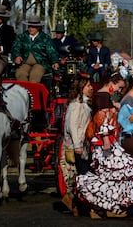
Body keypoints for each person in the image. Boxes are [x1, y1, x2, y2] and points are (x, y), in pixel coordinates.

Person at [77, 72, 133, 219]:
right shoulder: (102, 97)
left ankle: (103, 208)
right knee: (109, 175)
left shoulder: (103, 97)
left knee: (109, 175)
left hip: (107, 140)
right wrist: (106, 139)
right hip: (105, 142)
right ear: (111, 82)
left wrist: (114, 107)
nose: (118, 91)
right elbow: (102, 120)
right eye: (117, 87)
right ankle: (103, 207)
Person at [59, 73, 93, 215]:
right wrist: (77, 145)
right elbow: (72, 126)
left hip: (82, 144)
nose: (91, 87)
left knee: (81, 175)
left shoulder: (83, 103)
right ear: (81, 88)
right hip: (76, 145)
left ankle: (77, 204)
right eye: (88, 86)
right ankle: (76, 203)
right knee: (81, 174)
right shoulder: (76, 105)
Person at [11, 15, 59, 87]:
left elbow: (51, 50)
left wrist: (54, 61)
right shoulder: (22, 36)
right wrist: (17, 56)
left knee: (34, 76)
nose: (30, 28)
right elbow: (15, 47)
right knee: (20, 74)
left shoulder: (45, 38)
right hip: (25, 62)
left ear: (38, 27)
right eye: (29, 26)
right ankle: (24, 94)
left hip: (40, 63)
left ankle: (33, 96)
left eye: (33, 27)